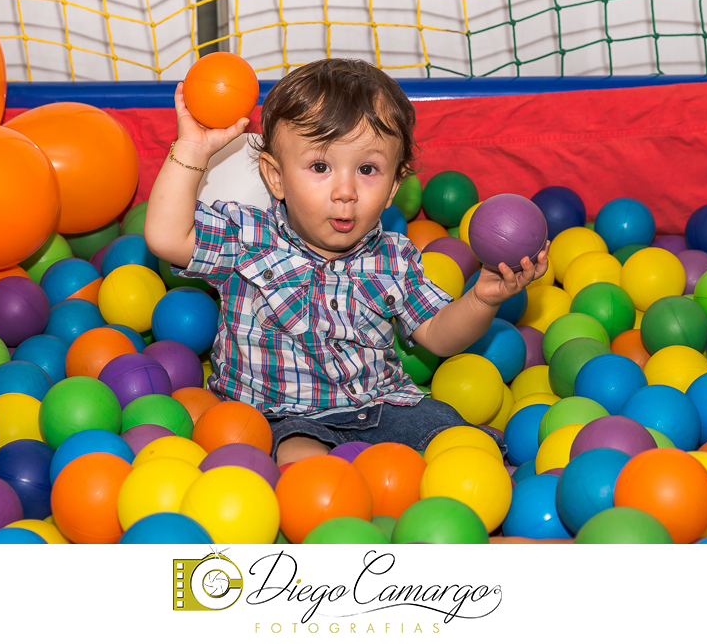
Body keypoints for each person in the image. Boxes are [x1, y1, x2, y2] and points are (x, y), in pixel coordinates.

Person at [145, 58, 549, 466]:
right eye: (320, 166)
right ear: (276, 176)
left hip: (380, 406)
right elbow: (166, 237)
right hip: (277, 415)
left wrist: (482, 299)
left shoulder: (394, 256)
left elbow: (438, 335)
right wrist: (192, 150)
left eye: (368, 169)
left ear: (394, 185)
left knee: (461, 447)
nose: (345, 191)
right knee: (303, 463)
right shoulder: (247, 236)